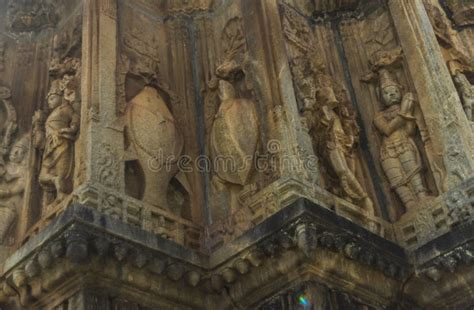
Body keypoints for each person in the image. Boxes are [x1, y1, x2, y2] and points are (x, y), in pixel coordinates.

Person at [374, 69, 431, 209]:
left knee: (413, 173)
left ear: (400, 91)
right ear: (381, 98)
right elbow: (387, 130)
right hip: (388, 150)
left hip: (404, 143)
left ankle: (422, 198)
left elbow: (410, 131)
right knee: (396, 178)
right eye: (386, 93)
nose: (391, 94)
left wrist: (409, 114)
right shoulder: (379, 116)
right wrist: (404, 112)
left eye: (394, 91)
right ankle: (409, 205)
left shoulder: (405, 108)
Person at [36, 78, 79, 207]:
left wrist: (72, 128)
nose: (49, 103)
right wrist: (38, 124)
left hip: (61, 141)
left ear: (61, 97)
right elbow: (39, 142)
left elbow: (75, 117)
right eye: (48, 100)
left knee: (62, 171)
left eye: (52, 98)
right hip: (50, 145)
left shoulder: (65, 109)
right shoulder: (51, 114)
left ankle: (62, 194)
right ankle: (56, 184)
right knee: (43, 176)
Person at [0, 135, 29, 244]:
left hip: (9, 200)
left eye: (20, 150)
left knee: (13, 206)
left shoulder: (23, 170)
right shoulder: (4, 165)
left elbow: (21, 185)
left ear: (25, 154)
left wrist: (8, 192)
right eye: (15, 148)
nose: (15, 152)